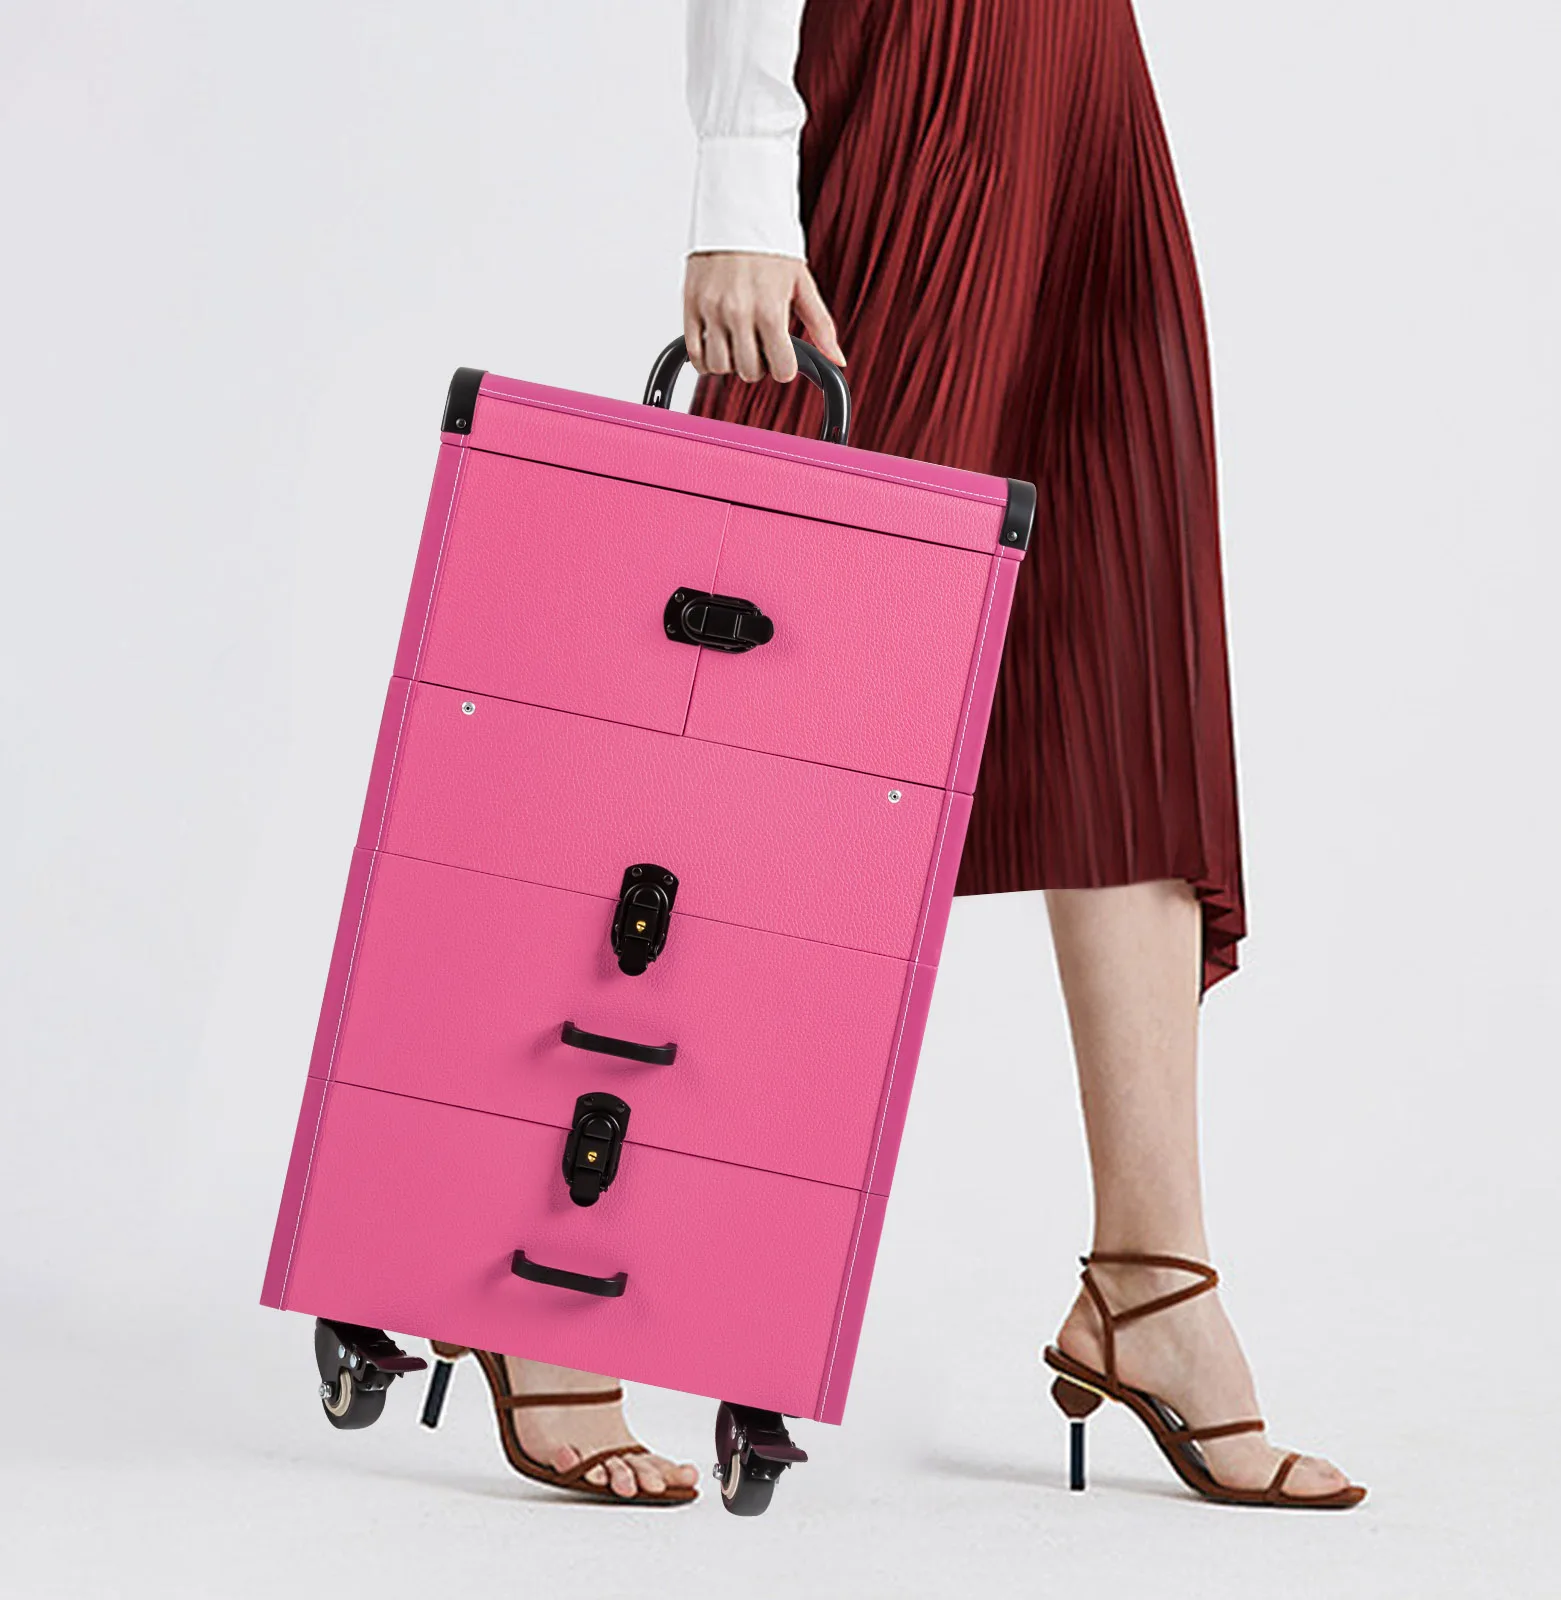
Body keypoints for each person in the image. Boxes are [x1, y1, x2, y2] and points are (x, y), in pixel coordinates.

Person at [452, 0, 1362, 1509]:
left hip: (1082, 71)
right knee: (778, 672)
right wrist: (745, 170)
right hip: (916, 59)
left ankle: (1154, 1280)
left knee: (1119, 650)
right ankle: (541, 1266)